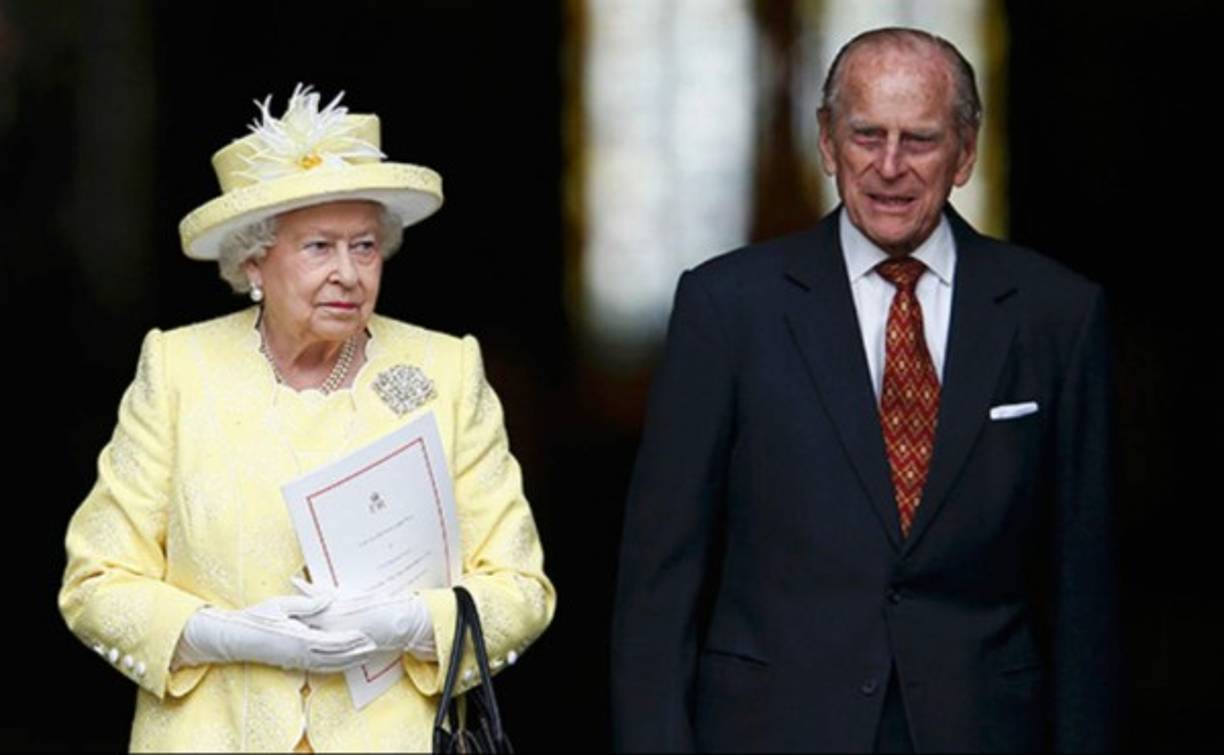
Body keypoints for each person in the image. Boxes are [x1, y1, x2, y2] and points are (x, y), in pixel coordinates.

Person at [611, 27, 1118, 753]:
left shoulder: (1056, 314)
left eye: (918, 139)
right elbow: (659, 584)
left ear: (966, 152)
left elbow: (1083, 596)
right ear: (826, 142)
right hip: (771, 729)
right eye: (865, 134)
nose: (888, 166)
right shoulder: (725, 307)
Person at [59, 84, 555, 752]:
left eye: (366, 247)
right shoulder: (179, 368)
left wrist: (406, 623)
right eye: (319, 247)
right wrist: (223, 634)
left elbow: (522, 588)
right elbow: (95, 583)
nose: (348, 274)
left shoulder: (447, 371)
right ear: (255, 260)